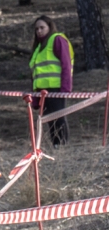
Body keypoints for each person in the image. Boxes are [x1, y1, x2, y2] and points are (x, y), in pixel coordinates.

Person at [29, 15, 73, 147]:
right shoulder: (38, 48)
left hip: (56, 88)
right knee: (49, 119)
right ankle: (56, 145)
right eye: (37, 29)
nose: (39, 31)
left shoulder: (57, 39)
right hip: (43, 91)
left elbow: (66, 64)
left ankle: (62, 145)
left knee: (58, 118)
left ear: (50, 27)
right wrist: (36, 98)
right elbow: (36, 74)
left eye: (42, 27)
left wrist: (65, 89)